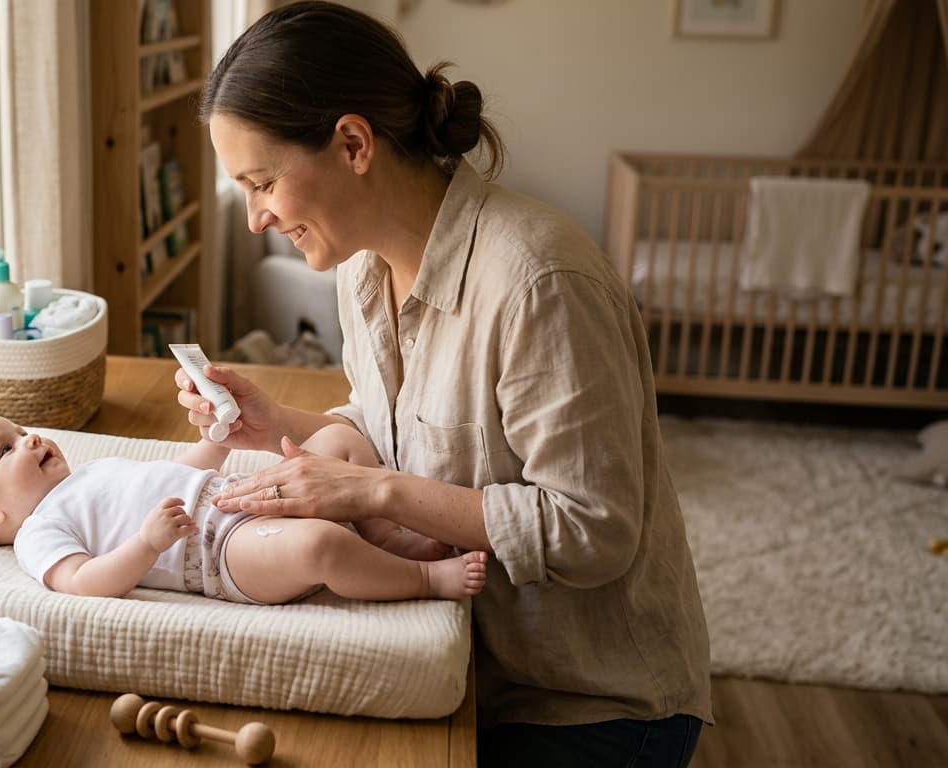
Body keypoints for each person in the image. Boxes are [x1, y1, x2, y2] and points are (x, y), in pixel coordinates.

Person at [178, 3, 711, 765]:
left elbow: (595, 529)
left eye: (262, 183)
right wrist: (270, 425)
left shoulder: (538, 282)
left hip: (589, 702)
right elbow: (389, 426)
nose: (258, 218)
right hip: (468, 653)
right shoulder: (360, 264)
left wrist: (375, 494)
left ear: (353, 143)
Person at [0, 414, 486, 604]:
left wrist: (216, 440)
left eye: (23, 431)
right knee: (319, 546)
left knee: (340, 440)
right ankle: (422, 578)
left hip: (236, 496)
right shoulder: (38, 532)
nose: (32, 439)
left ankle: (382, 537)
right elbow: (82, 583)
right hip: (222, 553)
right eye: (7, 449)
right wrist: (146, 544)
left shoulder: (87, 472)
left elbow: (179, 473)